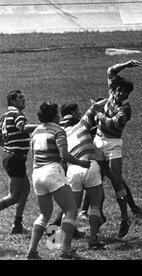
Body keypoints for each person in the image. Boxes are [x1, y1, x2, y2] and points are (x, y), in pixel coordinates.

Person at [27, 102, 90, 260]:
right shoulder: (58, 131)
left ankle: (32, 251)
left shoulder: (35, 131)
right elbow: (64, 156)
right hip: (52, 172)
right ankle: (66, 250)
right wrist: (83, 163)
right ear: (55, 115)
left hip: (37, 174)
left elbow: (33, 155)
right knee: (71, 210)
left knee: (44, 214)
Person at [93, 59, 141, 238]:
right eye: (119, 90)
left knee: (116, 182)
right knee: (94, 181)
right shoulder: (112, 92)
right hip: (98, 141)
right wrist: (126, 64)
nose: (120, 93)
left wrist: (97, 114)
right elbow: (110, 70)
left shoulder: (126, 109)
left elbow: (113, 124)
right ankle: (98, 215)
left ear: (128, 94)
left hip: (113, 145)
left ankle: (124, 218)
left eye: (124, 92)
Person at [60, 102, 106, 249]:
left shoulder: (60, 135)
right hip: (89, 165)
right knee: (95, 205)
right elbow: (94, 108)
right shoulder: (82, 124)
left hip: (73, 170)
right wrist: (108, 99)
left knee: (71, 209)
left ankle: (61, 240)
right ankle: (93, 240)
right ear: (75, 117)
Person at [0, 90, 37, 234]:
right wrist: (44, 126)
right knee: (14, 196)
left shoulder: (4, 116)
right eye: (20, 98)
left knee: (25, 190)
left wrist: (9, 147)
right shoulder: (16, 114)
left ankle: (17, 225)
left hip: (13, 158)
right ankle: (17, 225)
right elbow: (24, 127)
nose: (24, 99)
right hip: (15, 159)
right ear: (13, 101)